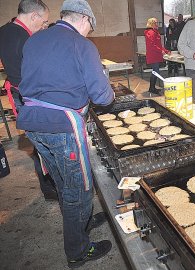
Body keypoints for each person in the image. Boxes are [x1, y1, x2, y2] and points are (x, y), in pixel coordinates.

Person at [16, 0, 115, 267]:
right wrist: (110, 89)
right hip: (61, 127)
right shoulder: (82, 45)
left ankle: (80, 221)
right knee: (79, 188)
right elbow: (102, 96)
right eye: (90, 28)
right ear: (84, 20)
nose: (89, 34)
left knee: (61, 180)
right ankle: (78, 250)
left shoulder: (34, 40)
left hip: (32, 122)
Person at [0, 0, 59, 201]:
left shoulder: (4, 30)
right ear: (33, 16)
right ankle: (52, 188)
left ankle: (48, 187)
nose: (44, 26)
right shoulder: (26, 39)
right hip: (29, 97)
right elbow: (39, 72)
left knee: (36, 142)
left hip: (18, 95)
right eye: (43, 21)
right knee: (45, 144)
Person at [145, 18, 170, 95]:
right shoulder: (150, 32)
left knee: (156, 71)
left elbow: (158, 45)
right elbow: (152, 46)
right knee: (156, 72)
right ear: (151, 24)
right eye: (155, 23)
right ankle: (151, 88)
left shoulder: (154, 32)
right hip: (153, 55)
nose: (157, 24)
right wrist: (161, 51)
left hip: (155, 54)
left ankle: (152, 88)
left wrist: (166, 51)